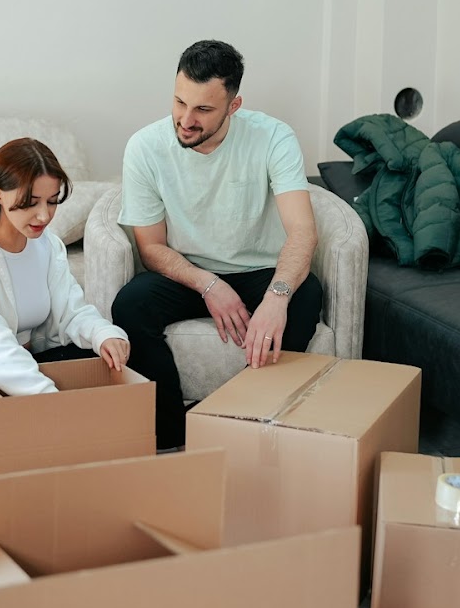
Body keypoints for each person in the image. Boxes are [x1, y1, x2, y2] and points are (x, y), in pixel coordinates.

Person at [113, 40, 323, 449]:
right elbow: (151, 248)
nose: (185, 120)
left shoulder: (274, 137)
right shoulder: (145, 147)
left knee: (306, 293)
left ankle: (255, 424)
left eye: (203, 110)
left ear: (234, 105)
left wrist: (277, 297)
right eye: (179, 102)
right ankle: (171, 434)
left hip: (259, 272)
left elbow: (302, 230)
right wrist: (209, 284)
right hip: (187, 272)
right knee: (130, 304)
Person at [0, 137, 130, 482]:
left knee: (106, 361)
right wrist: (51, 403)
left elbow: (71, 311)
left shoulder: (46, 244)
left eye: (52, 201)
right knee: (25, 464)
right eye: (30, 203)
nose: (44, 215)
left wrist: (104, 334)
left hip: (24, 374)